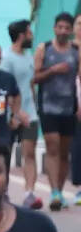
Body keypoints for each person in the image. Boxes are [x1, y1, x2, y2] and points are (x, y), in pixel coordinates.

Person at [32, 12, 79, 210]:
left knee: (64, 152)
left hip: (69, 108)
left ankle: (59, 190)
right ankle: (54, 192)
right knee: (53, 148)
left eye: (66, 28)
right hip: (48, 107)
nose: (63, 31)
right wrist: (53, 70)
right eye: (59, 27)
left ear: (71, 30)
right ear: (54, 28)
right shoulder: (44, 48)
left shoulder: (76, 51)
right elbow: (34, 77)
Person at [2, 20, 42, 208]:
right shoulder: (6, 59)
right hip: (10, 117)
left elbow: (30, 85)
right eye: (29, 33)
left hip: (30, 115)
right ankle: (3, 194)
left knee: (29, 154)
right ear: (21, 36)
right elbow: (5, 90)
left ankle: (29, 194)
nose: (32, 36)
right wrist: (14, 115)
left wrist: (34, 108)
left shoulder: (28, 57)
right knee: (5, 156)